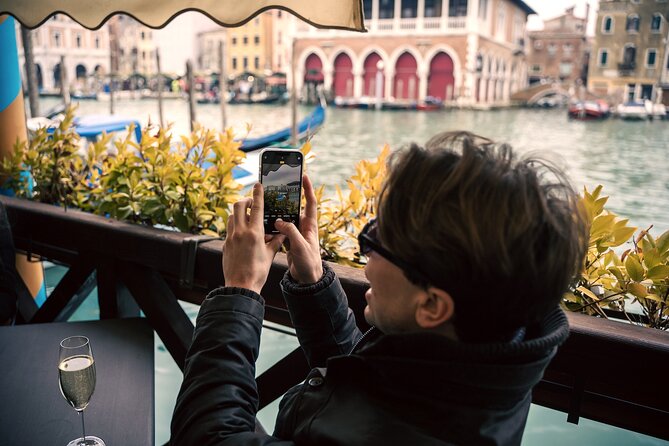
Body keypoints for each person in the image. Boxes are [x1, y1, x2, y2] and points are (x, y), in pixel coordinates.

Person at [170, 131, 588, 445]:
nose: (365, 261)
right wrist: (312, 280)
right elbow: (368, 384)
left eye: (376, 242)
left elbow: (208, 437)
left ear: (432, 305)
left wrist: (240, 291)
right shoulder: (490, 366)